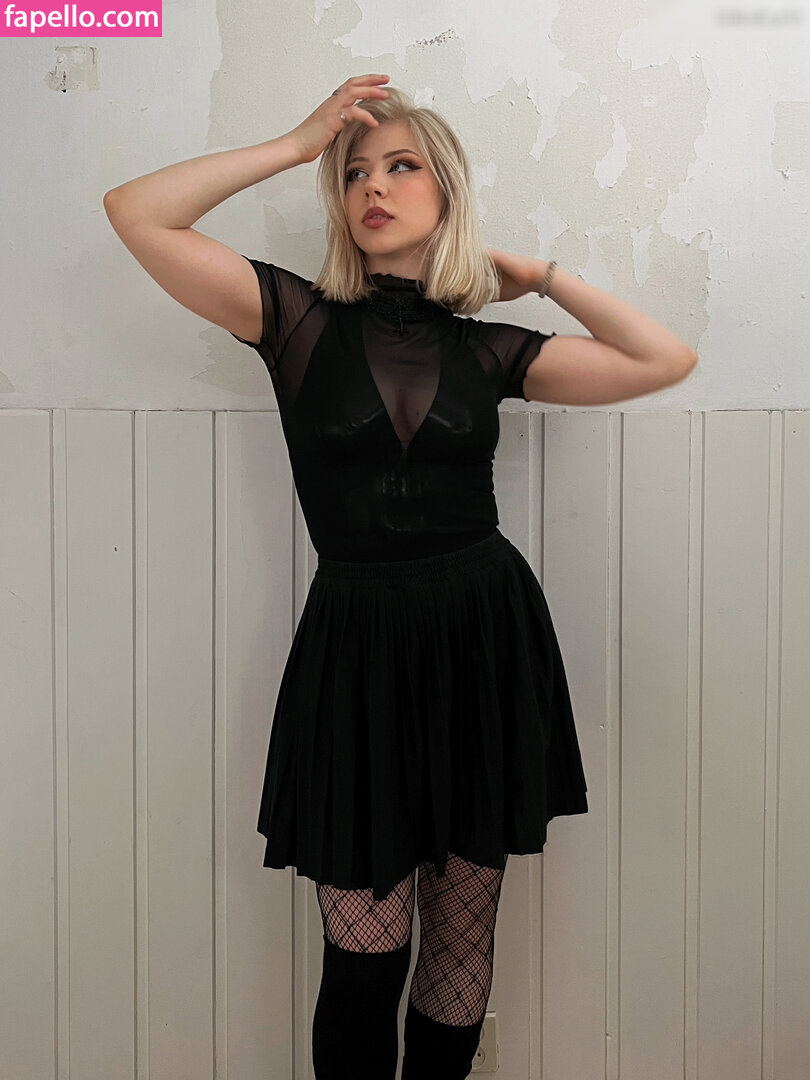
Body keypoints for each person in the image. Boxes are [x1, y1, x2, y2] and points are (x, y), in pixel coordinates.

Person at [104, 75, 697, 1080]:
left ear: (446, 190)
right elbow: (136, 211)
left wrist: (539, 274)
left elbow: (663, 360)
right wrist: (298, 143)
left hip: (483, 637)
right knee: (363, 954)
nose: (372, 187)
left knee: (460, 945)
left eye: (401, 166)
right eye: (354, 174)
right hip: (359, 649)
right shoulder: (294, 320)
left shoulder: (489, 349)